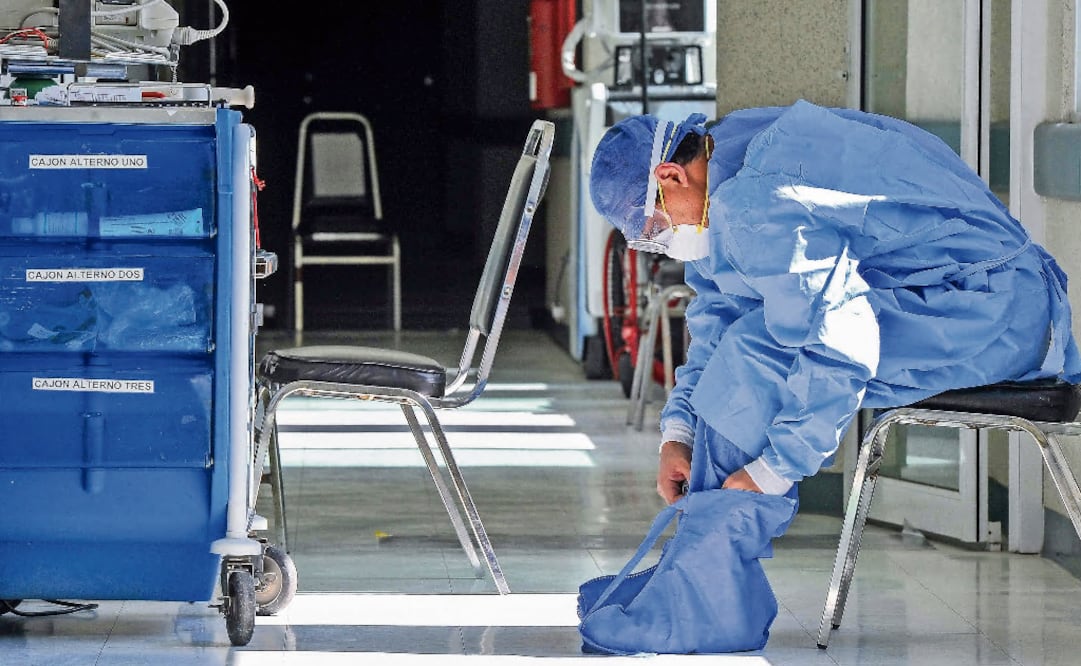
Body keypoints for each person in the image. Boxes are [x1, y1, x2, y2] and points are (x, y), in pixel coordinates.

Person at [590, 99, 1081, 506]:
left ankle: (710, 552)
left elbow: (836, 339)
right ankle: (708, 547)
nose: (662, 242)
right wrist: (681, 431)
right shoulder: (729, 158)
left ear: (672, 175)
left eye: (653, 229)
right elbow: (720, 317)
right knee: (749, 344)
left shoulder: (751, 204)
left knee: (763, 355)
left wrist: (776, 468)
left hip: (993, 313)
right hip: (979, 297)